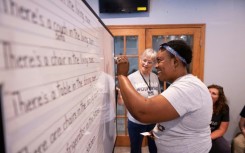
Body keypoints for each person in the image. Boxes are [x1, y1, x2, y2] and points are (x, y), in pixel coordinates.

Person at [116, 40, 213, 153]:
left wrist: (122, 75)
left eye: (159, 61)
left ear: (175, 62)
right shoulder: (183, 84)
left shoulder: (187, 87)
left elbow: (142, 112)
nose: (155, 66)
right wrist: (159, 130)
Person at [117, 48, 161, 153]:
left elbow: (159, 96)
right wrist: (120, 95)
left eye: (149, 62)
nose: (146, 64)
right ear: (140, 60)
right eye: (144, 60)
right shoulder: (131, 78)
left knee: (154, 148)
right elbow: (121, 103)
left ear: (154, 64)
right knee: (136, 149)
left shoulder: (155, 77)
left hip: (152, 123)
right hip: (136, 123)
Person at [208, 84, 231, 153]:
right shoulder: (197, 104)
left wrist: (208, 138)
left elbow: (222, 129)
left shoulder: (224, 108)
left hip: (214, 134)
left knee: (224, 148)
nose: (209, 95)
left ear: (219, 98)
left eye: (214, 93)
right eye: (208, 92)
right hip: (197, 134)